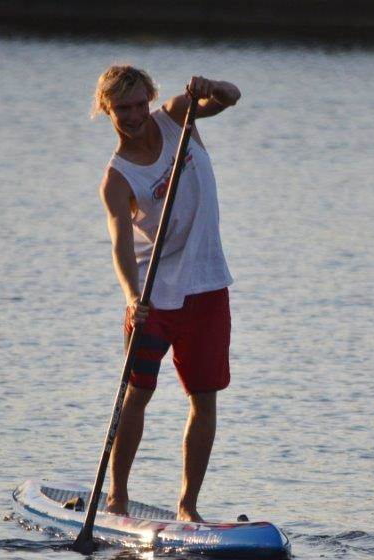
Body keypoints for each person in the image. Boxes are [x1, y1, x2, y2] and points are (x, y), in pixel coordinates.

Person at [93, 65, 241, 522]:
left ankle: (187, 507)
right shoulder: (117, 179)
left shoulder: (177, 118)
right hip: (152, 298)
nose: (135, 115)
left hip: (206, 287)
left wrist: (210, 88)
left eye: (140, 104)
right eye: (123, 108)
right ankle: (116, 495)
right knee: (137, 394)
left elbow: (231, 96)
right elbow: (120, 243)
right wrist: (132, 298)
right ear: (107, 109)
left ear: (151, 100)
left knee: (204, 398)